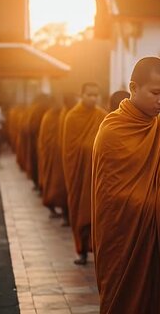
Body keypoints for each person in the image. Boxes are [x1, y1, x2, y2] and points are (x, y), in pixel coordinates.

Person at [92, 57, 160, 313]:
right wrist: (155, 203)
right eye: (155, 92)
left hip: (159, 232)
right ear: (133, 88)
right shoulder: (112, 130)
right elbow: (112, 196)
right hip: (124, 236)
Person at [62, 82, 107, 265]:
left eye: (96, 95)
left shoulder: (102, 116)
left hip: (97, 175)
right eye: (89, 94)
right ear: (82, 95)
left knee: (98, 214)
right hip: (80, 174)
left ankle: (98, 250)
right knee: (80, 210)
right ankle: (81, 251)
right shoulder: (72, 117)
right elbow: (68, 150)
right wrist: (87, 147)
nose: (93, 98)